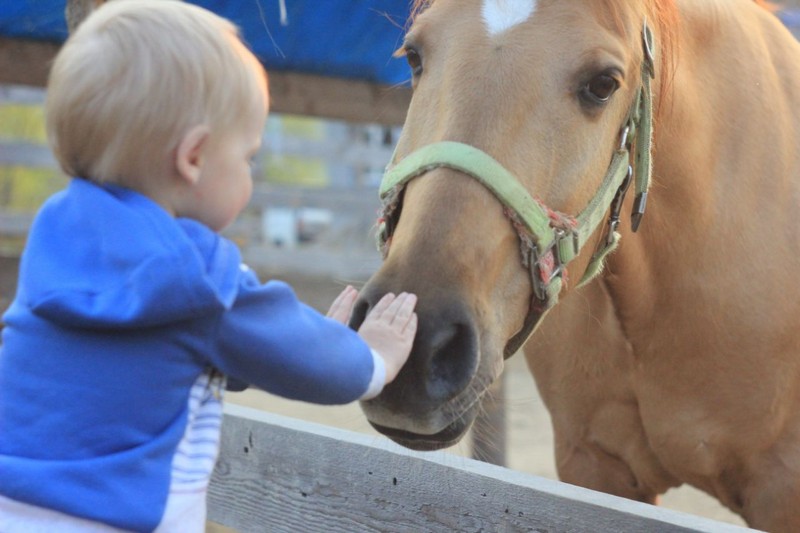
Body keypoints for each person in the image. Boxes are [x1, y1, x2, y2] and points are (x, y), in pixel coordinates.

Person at [0, 1, 418, 531]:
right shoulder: (197, 273)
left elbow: (170, 349)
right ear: (193, 158)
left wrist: (304, 340)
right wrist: (370, 357)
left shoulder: (55, 233)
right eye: (247, 157)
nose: (249, 174)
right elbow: (315, 367)